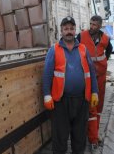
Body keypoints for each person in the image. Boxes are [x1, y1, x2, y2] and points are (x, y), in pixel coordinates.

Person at [43, 16, 98, 154]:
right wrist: (47, 95)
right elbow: (47, 74)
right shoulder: (54, 50)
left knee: (79, 137)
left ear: (75, 31)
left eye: (71, 29)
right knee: (60, 137)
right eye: (66, 29)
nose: (69, 31)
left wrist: (94, 92)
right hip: (61, 102)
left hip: (82, 101)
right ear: (61, 31)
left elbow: (91, 72)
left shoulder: (83, 49)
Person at [77, 15, 113, 151]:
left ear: (100, 26)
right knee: (89, 105)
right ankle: (91, 136)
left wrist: (104, 63)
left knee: (99, 105)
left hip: (101, 76)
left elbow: (108, 51)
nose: (92, 27)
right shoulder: (81, 36)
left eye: (95, 25)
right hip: (87, 77)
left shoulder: (105, 38)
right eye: (91, 24)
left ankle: (95, 133)